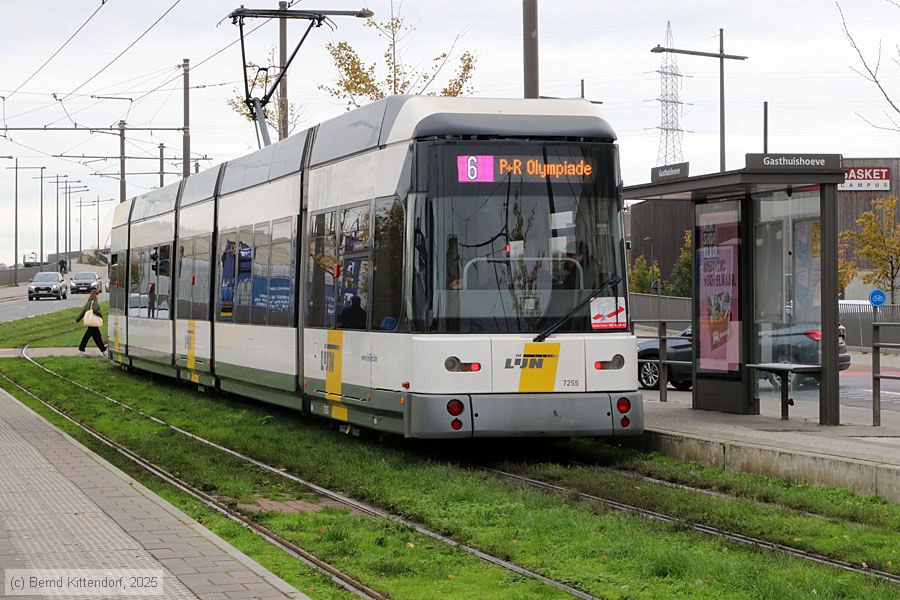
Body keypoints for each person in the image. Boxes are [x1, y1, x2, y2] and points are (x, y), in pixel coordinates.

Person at [75, 289, 107, 355]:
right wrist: (100, 314)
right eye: (98, 295)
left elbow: (83, 311)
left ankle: (102, 348)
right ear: (96, 295)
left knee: (97, 335)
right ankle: (81, 348)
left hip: (90, 321)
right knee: (89, 336)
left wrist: (77, 319)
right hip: (93, 321)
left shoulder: (88, 302)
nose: (98, 296)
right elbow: (95, 309)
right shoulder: (94, 302)